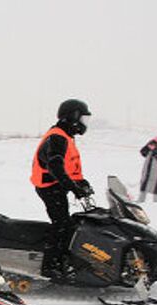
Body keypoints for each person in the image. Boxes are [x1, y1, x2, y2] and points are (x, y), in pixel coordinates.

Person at [30, 98, 95, 279]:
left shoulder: (65, 136)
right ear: (73, 117)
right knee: (61, 225)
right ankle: (51, 266)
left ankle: (65, 258)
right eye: (83, 119)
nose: (84, 124)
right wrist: (72, 187)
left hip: (56, 185)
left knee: (69, 223)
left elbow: (68, 166)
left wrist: (80, 182)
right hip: (49, 186)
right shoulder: (58, 136)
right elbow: (55, 166)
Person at [138, 136, 157, 203]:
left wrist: (154, 149)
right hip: (147, 170)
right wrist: (148, 146)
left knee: (156, 186)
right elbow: (143, 152)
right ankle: (141, 200)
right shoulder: (150, 149)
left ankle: (156, 202)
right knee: (144, 184)